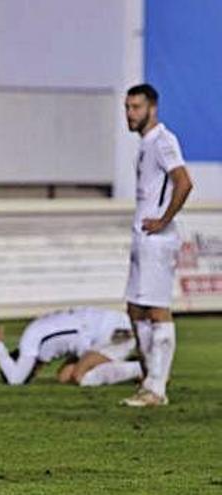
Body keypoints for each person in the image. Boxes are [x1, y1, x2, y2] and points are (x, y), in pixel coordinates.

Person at [119, 84, 192, 407]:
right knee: (135, 307)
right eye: (127, 108)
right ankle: (151, 376)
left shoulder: (163, 141)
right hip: (142, 237)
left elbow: (184, 181)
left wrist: (163, 220)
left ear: (152, 108)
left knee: (157, 308)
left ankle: (157, 388)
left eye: (136, 107)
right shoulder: (146, 144)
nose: (130, 114)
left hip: (157, 240)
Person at [0, 307, 142, 387]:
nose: (38, 372)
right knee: (65, 376)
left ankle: (143, 370)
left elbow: (15, 379)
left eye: (33, 373)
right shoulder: (36, 331)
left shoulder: (29, 340)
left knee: (80, 376)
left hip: (113, 331)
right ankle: (134, 365)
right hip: (105, 329)